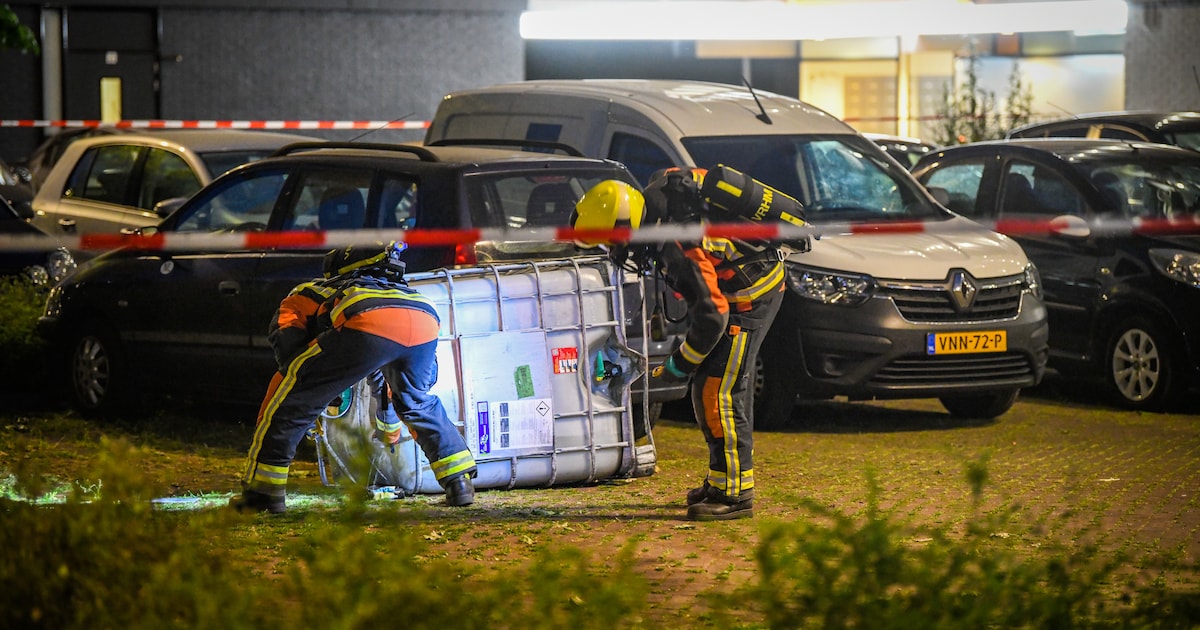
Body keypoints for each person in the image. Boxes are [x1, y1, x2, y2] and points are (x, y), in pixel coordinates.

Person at [572, 168, 791, 521]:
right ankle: (721, 481)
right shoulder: (656, 198)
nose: (616, 250)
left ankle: (735, 496)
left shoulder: (676, 244)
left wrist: (679, 364)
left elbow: (713, 315)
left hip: (750, 298)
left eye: (613, 241)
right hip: (737, 291)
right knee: (708, 391)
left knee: (719, 393)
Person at [231, 240, 476, 514]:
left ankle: (263, 493)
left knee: (289, 400)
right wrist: (388, 429)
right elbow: (391, 380)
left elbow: (287, 333)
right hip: (425, 317)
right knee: (417, 401)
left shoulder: (311, 290)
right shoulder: (403, 289)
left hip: (365, 316)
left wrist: (312, 388)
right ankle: (459, 482)